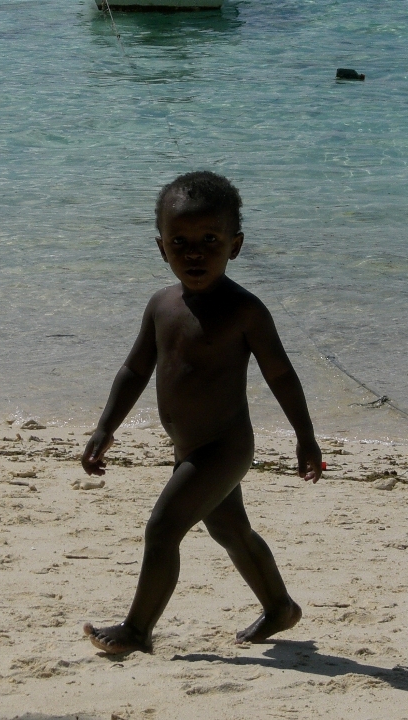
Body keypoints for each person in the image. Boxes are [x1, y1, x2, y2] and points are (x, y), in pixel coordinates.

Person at [81, 171, 324, 655]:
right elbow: (134, 369)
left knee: (163, 527)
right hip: (187, 445)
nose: (194, 253)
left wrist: (305, 436)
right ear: (161, 247)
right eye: (180, 242)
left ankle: (137, 629)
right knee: (230, 529)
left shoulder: (244, 311)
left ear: (235, 246)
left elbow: (282, 376)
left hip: (225, 447)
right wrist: (106, 427)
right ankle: (280, 607)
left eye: (210, 240)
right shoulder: (161, 305)